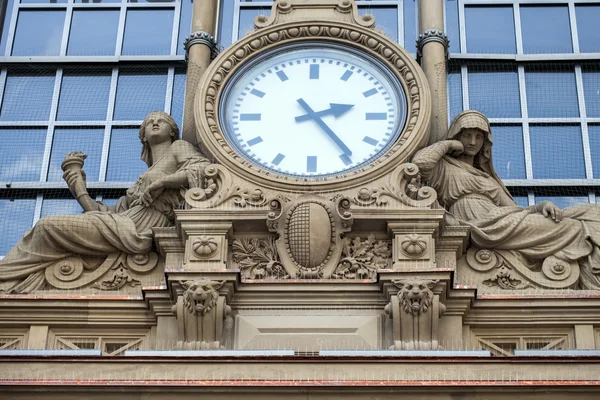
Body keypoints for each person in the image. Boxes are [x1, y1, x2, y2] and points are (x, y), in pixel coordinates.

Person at [0, 111, 209, 293]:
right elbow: (109, 214)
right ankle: (11, 277)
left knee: (46, 226)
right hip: (124, 224)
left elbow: (201, 170)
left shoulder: (179, 147)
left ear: (172, 131)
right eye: (149, 122)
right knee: (42, 229)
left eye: (161, 121)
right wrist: (79, 189)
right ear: (143, 136)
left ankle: (6, 276)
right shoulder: (143, 179)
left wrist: (163, 182)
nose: (154, 123)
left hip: (141, 228)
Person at [412, 110, 600, 289]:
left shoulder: (487, 178)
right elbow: (420, 163)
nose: (472, 142)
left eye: (478, 137)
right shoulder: (445, 167)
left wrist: (541, 205)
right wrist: (448, 145)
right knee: (573, 228)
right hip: (481, 223)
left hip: (502, 220)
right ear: (457, 135)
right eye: (466, 135)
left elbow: (513, 208)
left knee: (587, 214)